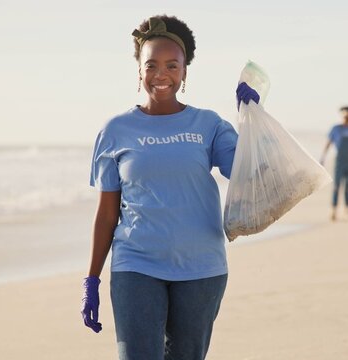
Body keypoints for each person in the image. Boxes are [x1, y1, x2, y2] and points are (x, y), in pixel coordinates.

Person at [81, 15, 260, 360]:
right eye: (151, 65)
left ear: (184, 72)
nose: (161, 74)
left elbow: (250, 173)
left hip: (202, 267)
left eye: (171, 65)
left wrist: (252, 119)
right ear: (139, 71)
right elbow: (106, 213)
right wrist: (91, 280)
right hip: (136, 264)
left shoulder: (208, 124)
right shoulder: (115, 131)